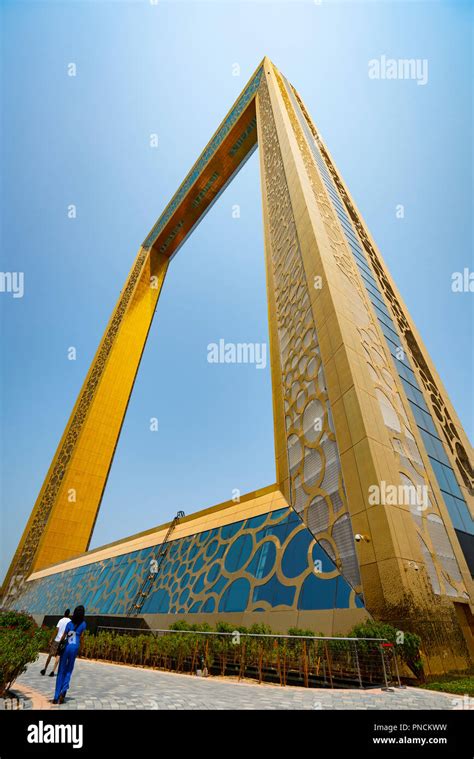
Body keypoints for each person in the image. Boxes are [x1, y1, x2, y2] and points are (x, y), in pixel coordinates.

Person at [53, 605, 86, 705]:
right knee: (69, 670)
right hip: (75, 647)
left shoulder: (69, 623)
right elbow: (82, 637)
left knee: (61, 670)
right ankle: (64, 691)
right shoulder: (83, 624)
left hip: (67, 646)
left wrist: (58, 647)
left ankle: (56, 696)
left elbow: (64, 636)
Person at [41, 609, 70, 677]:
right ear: (69, 614)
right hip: (63, 641)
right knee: (58, 655)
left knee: (50, 655)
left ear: (64, 614)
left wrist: (51, 639)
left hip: (57, 640)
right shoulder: (70, 621)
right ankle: (53, 671)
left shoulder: (60, 620)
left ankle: (45, 669)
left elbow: (56, 630)